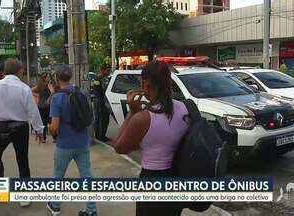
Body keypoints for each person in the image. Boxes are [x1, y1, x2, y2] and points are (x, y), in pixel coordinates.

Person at [113, 61, 189, 216]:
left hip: (152, 179)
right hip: (177, 178)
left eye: (143, 84)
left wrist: (132, 112)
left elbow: (119, 147)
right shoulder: (184, 108)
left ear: (146, 85)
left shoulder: (143, 118)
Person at [0, 58, 44, 207]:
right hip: (20, 128)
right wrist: (39, 130)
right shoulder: (24, 88)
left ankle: (0, 191)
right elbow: (32, 111)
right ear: (19, 71)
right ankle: (24, 196)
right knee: (22, 160)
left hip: (0, 128)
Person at [47, 65, 97, 216]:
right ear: (70, 77)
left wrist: (49, 129)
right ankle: (91, 210)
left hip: (65, 144)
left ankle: (55, 206)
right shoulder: (79, 92)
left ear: (57, 78)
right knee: (87, 176)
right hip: (82, 142)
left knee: (58, 175)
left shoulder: (57, 98)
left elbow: (54, 127)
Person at [31, 73, 54, 143]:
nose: (49, 78)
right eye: (48, 77)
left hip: (45, 106)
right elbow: (31, 90)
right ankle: (44, 137)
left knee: (48, 121)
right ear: (44, 78)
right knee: (45, 122)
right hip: (44, 106)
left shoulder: (48, 85)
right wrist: (37, 97)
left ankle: (47, 137)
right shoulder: (43, 86)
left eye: (49, 77)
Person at [93, 66, 111, 142]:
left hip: (100, 101)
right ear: (102, 70)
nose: (109, 72)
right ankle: (100, 136)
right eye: (107, 70)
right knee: (102, 119)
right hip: (100, 102)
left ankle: (99, 136)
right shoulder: (98, 79)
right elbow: (100, 91)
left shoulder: (104, 78)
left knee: (101, 119)